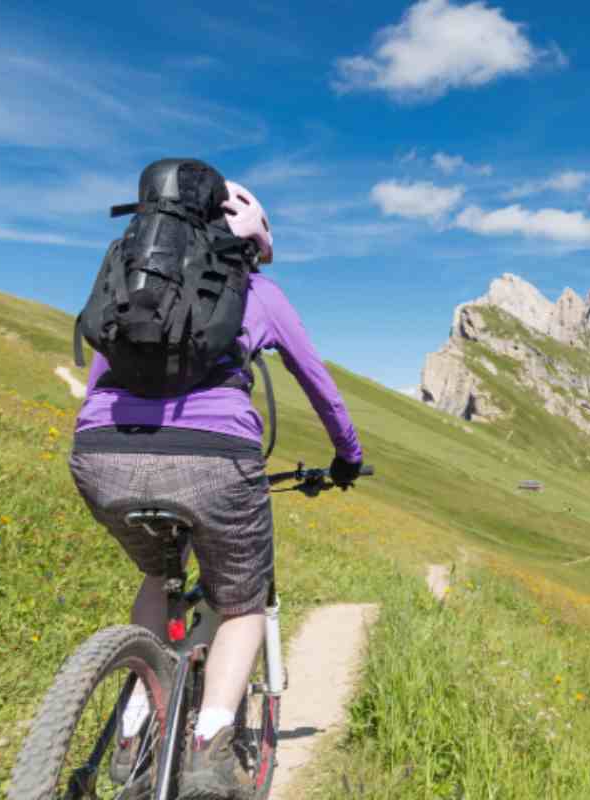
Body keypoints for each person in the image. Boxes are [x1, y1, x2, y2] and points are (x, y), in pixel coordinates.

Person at [69, 179, 363, 799]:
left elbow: (99, 373)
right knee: (241, 605)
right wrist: (346, 458)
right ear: (252, 245)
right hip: (214, 460)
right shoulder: (260, 292)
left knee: (161, 574)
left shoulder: (134, 284)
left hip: (100, 454)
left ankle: (132, 728)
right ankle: (209, 748)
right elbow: (317, 381)